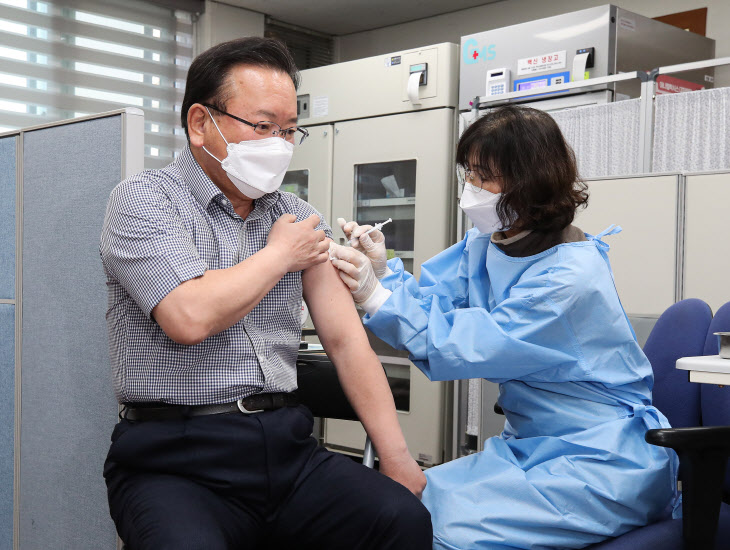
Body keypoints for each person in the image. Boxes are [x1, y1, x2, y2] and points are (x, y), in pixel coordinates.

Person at [100, 37, 431, 550]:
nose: (278, 142)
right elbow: (187, 316)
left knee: (400, 518)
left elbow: (346, 343)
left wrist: (398, 457)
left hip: (286, 447)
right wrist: (280, 255)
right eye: (262, 126)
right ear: (199, 122)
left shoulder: (297, 216)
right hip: (174, 459)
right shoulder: (144, 200)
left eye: (289, 130)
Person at [329, 105, 678, 549]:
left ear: (530, 181)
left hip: (602, 460)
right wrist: (385, 274)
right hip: (529, 447)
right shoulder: (489, 241)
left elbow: (466, 345)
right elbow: (437, 304)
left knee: (438, 533)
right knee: (399, 512)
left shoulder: (568, 276)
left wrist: (373, 296)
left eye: (484, 177)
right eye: (469, 173)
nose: (471, 189)